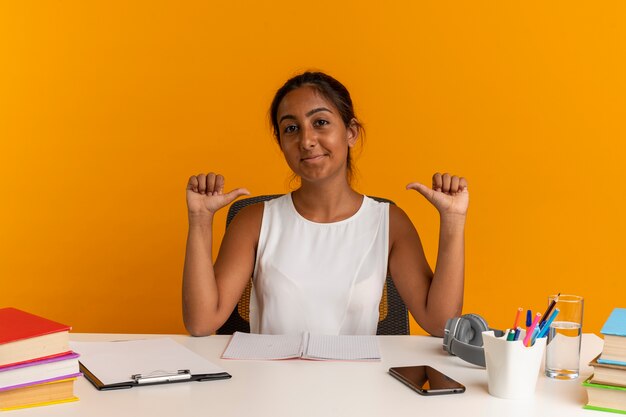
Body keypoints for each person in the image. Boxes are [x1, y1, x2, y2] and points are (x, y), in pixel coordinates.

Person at [182, 71, 468, 337]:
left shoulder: (390, 223)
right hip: (272, 385)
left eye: (320, 122)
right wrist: (199, 221)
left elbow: (440, 322)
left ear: (351, 133)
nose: (306, 140)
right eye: (291, 128)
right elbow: (201, 322)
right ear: (281, 142)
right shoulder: (253, 221)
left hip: (358, 387)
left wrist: (453, 221)